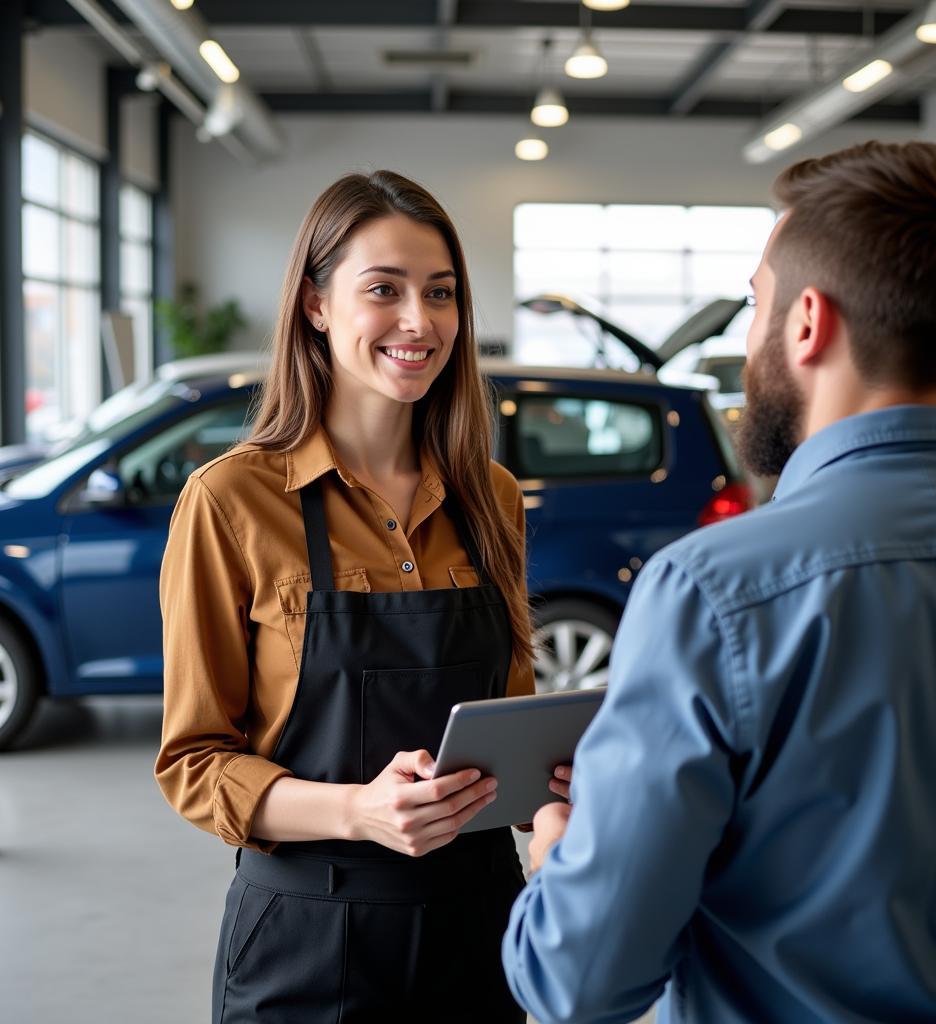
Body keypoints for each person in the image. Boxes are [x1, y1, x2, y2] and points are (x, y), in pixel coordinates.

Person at [502, 141, 936, 1023]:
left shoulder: (712, 593)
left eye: (755, 305)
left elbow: (578, 981)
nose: (749, 339)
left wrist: (562, 843)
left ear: (807, 322)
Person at [156, 170, 555, 1022]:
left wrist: (559, 786)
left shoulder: (492, 495)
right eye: (385, 289)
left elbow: (511, 723)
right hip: (307, 935)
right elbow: (193, 764)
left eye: (440, 293)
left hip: (480, 926)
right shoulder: (231, 500)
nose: (421, 321)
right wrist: (358, 810)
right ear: (315, 305)